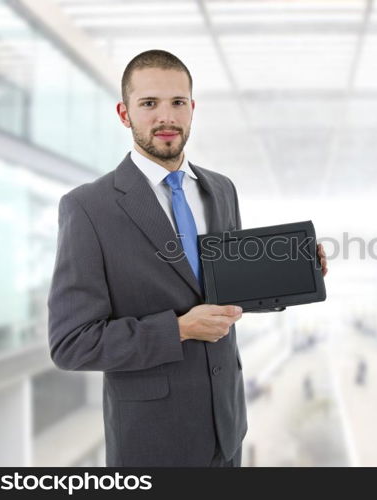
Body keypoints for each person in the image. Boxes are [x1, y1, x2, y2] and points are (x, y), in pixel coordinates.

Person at [47, 50, 328, 467]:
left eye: (178, 103)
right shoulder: (89, 208)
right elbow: (71, 344)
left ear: (192, 109)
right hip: (152, 442)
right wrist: (177, 329)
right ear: (124, 114)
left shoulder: (221, 189)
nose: (167, 117)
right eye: (149, 104)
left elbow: (226, 290)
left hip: (227, 430)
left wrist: (294, 272)